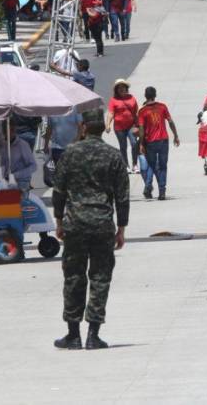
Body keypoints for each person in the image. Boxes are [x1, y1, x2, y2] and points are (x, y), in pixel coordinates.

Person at [52, 109, 129, 350]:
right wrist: (122, 228)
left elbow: (59, 191)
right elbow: (122, 196)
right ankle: (93, 334)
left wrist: (59, 221)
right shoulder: (113, 155)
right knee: (100, 277)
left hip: (75, 223)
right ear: (101, 127)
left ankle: (73, 334)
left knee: (74, 277)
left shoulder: (70, 153)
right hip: (102, 224)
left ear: (83, 126)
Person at [137, 86, 180, 201]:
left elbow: (141, 129)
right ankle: (162, 189)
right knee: (163, 166)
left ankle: (156, 187)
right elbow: (170, 121)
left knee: (153, 165)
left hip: (150, 142)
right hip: (163, 141)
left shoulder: (142, 111)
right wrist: (175, 135)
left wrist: (141, 144)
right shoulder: (162, 107)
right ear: (155, 95)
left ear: (145, 96)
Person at [106, 79, 139, 173]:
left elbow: (136, 112)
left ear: (126, 88)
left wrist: (139, 124)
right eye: (119, 88)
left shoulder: (131, 98)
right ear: (116, 90)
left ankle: (134, 164)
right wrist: (107, 124)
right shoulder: (113, 100)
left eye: (123, 87)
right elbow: (111, 113)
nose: (121, 89)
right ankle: (126, 165)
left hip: (131, 125)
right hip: (119, 127)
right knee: (123, 146)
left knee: (134, 143)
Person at [2, 121, 37, 194]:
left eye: (12, 130)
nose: (10, 132)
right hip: (7, 180)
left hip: (21, 181)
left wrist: (16, 175)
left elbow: (33, 166)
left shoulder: (22, 145)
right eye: (7, 131)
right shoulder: (2, 146)